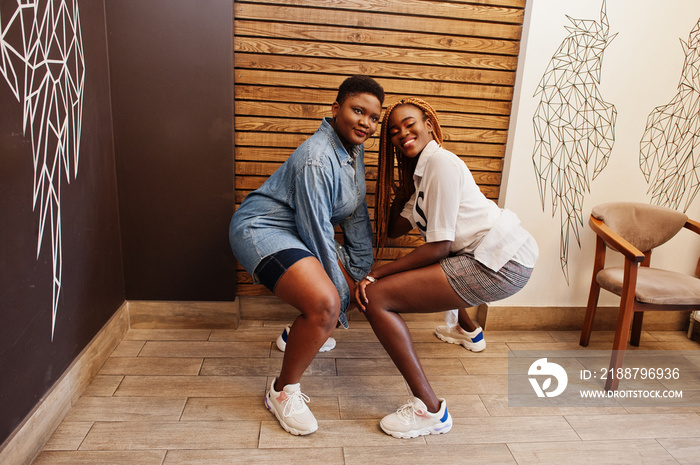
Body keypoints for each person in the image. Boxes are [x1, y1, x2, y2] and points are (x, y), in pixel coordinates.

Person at [356, 98, 537, 439]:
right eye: (394, 132)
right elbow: (396, 228)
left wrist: (376, 273)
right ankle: (468, 331)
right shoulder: (423, 176)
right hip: (494, 254)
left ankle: (430, 411)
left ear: (427, 122)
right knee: (435, 268)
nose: (402, 134)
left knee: (377, 298)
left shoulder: (439, 164)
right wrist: (402, 190)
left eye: (409, 124)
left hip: (502, 262)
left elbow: (439, 247)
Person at [229, 75, 384, 436]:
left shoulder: (353, 150)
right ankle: (282, 391)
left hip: (297, 231)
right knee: (327, 302)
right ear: (336, 109)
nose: (366, 122)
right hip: (260, 229)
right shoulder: (317, 158)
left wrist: (361, 269)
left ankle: (297, 333)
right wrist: (340, 304)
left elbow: (355, 211)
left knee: (339, 290)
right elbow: (317, 230)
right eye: (357, 110)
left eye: (374, 117)